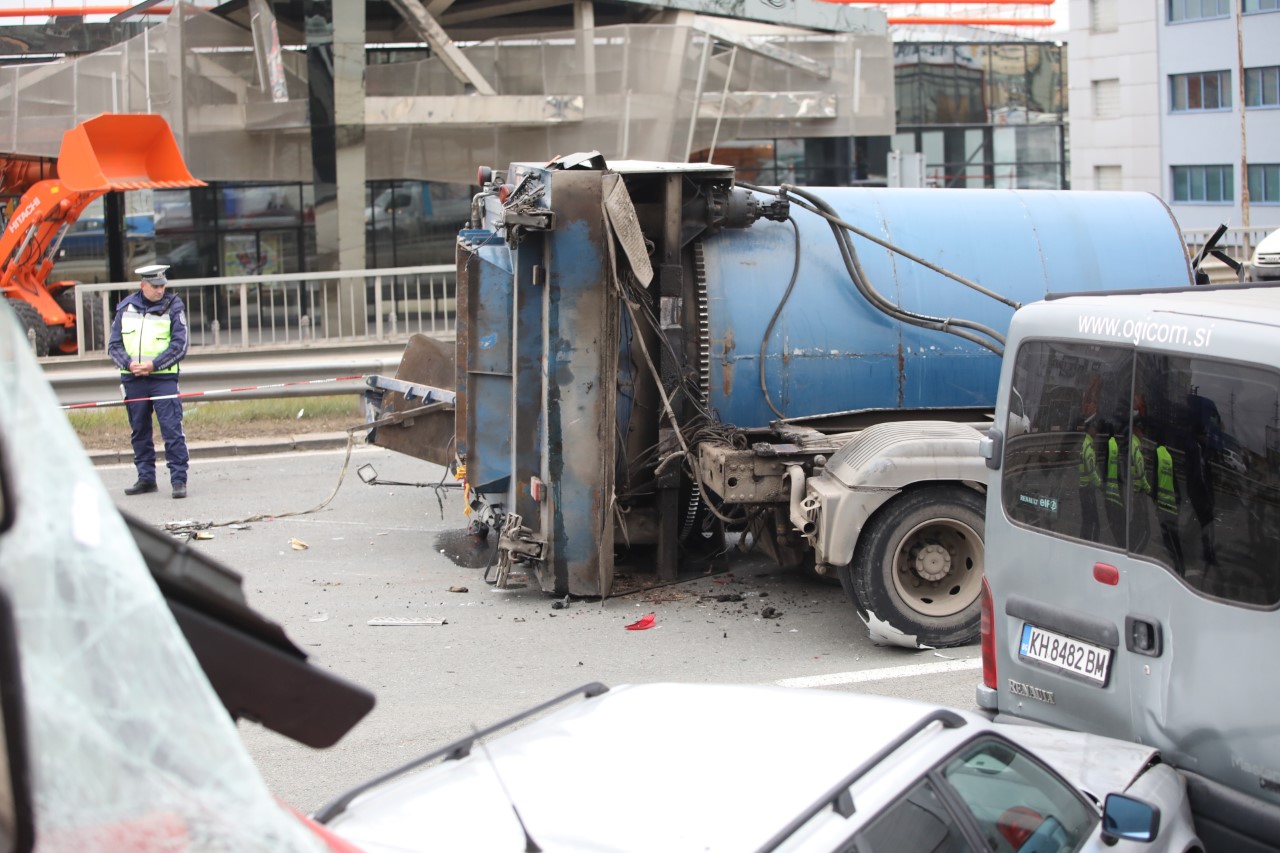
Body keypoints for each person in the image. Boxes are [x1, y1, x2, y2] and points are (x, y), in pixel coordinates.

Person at [107, 264, 191, 499]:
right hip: (134, 378)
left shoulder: (173, 306)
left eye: (163, 285)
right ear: (142, 285)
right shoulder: (125, 308)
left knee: (172, 429)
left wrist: (155, 365)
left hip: (163, 378)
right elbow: (113, 346)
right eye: (155, 286)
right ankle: (146, 478)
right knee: (139, 430)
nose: (160, 290)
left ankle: (178, 480)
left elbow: (180, 345)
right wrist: (128, 364)